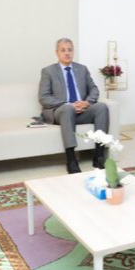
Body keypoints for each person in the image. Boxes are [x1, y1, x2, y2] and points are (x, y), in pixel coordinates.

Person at [39, 38, 109, 174]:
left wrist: (87, 102)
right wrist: (68, 104)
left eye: (69, 50)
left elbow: (94, 89)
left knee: (101, 107)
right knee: (68, 109)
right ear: (57, 52)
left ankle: (99, 156)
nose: (67, 53)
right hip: (61, 111)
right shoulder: (48, 71)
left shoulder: (82, 69)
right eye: (63, 50)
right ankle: (71, 159)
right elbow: (44, 97)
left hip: (82, 111)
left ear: (73, 52)